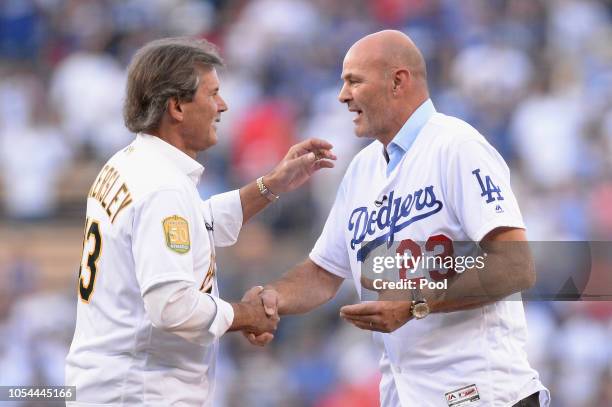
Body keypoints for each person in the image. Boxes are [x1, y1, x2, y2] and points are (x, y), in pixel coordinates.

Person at [244, 30, 550, 406]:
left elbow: (517, 265)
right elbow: (322, 273)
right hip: (408, 395)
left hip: (483, 392)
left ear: (397, 81)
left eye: (354, 80)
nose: (342, 95)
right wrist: (269, 299)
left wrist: (415, 301)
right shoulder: (362, 168)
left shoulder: (456, 146)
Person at [65, 37, 335, 406]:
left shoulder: (129, 162)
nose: (222, 106)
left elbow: (192, 227)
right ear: (176, 106)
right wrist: (243, 315)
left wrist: (271, 185)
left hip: (113, 383)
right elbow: (171, 306)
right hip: (140, 391)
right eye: (213, 94)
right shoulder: (162, 187)